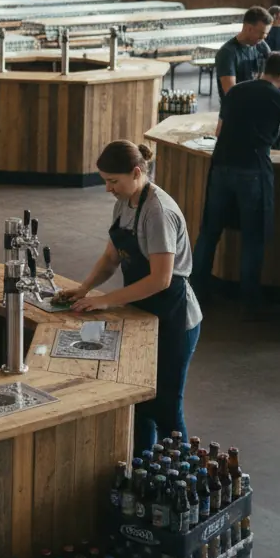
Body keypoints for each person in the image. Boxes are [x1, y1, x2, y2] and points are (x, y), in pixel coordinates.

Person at [55, 141, 202, 452]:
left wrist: (106, 300)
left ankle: (181, 487)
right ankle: (142, 472)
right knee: (140, 400)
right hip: (142, 311)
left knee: (166, 407)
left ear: (136, 173)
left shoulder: (157, 211)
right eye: (105, 181)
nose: (108, 189)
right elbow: (111, 258)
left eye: (113, 181)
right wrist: (85, 288)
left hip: (174, 316)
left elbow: (161, 280)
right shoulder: (125, 202)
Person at [191, 52, 280, 314]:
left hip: (221, 166)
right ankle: (250, 303)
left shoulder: (236, 92)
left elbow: (219, 131)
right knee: (253, 236)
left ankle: (197, 292)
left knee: (210, 231)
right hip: (253, 171)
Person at [214, 7, 274, 103]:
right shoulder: (227, 53)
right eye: (262, 34)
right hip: (236, 110)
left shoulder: (262, 47)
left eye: (266, 35)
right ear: (249, 28)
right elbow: (231, 93)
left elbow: (273, 76)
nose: (263, 38)